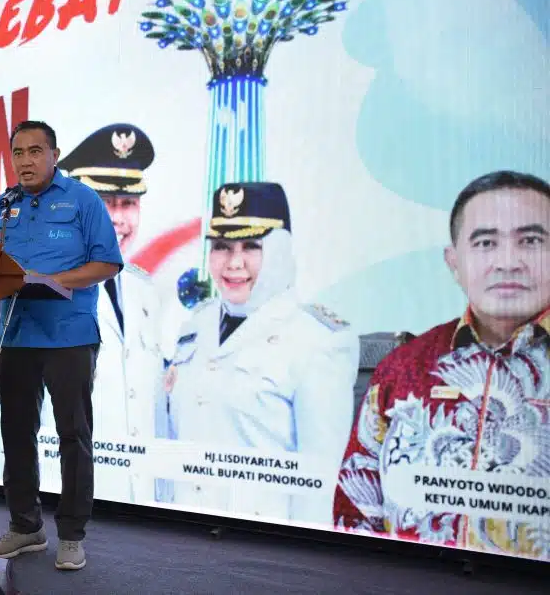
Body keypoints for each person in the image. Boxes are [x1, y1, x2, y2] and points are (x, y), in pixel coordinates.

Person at [334, 170, 550, 560]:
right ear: (454, 262)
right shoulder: (403, 368)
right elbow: (354, 511)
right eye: (485, 243)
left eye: (530, 241)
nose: (508, 262)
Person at [165, 181, 360, 524]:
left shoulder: (318, 340)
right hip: (180, 530)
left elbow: (318, 486)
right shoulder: (195, 326)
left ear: (280, 251)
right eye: (222, 247)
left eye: (251, 247)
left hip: (257, 540)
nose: (233, 263)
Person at [0, 120, 123, 571]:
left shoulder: (83, 200)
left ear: (54, 155)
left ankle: (72, 535)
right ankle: (26, 527)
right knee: (15, 432)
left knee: (73, 435)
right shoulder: (2, 207)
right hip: (14, 335)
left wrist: (54, 281)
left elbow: (108, 262)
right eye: (18, 153)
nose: (25, 161)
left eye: (35, 151)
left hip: (69, 336)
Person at [38, 122, 171, 505]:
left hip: (140, 506)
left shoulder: (145, 292)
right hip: (63, 498)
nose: (118, 219)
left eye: (128, 203)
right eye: (104, 203)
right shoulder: (39, 285)